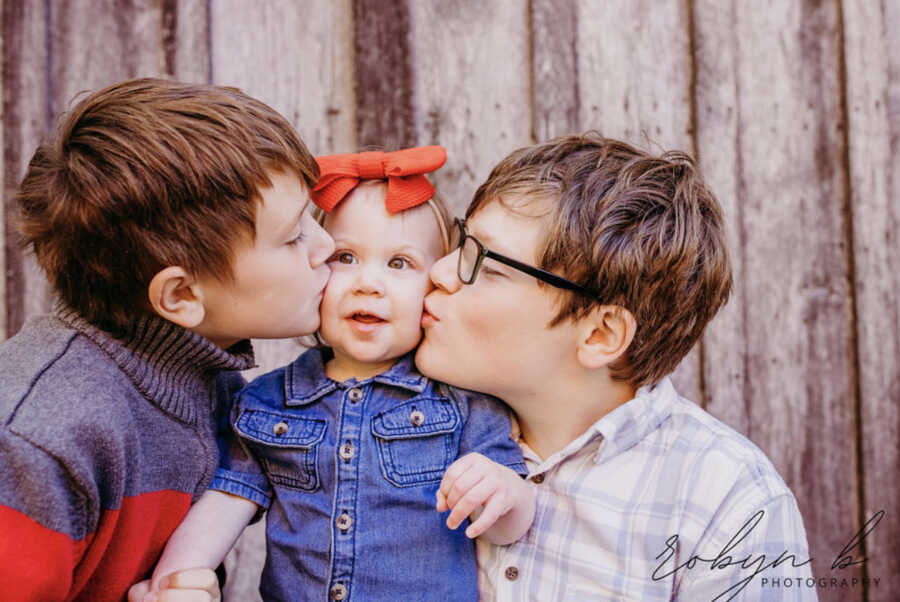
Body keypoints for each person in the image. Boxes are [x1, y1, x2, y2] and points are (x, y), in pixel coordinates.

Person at [415, 133, 816, 601]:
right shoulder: (402, 421)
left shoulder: (727, 499)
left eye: (485, 265)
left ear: (601, 335)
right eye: (462, 243)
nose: (439, 273)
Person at [142, 147, 534, 601]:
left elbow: (510, 528)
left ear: (435, 286)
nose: (368, 282)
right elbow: (229, 498)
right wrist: (174, 578)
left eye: (399, 263)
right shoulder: (269, 402)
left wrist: (504, 492)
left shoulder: (463, 402)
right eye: (345, 258)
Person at [0, 78, 335, 602]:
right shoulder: (39, 440)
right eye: (293, 236)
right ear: (180, 295)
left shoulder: (213, 384)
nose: (327, 246)